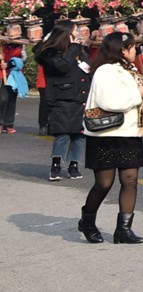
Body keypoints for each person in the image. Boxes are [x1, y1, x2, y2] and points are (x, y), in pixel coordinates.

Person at [78, 32, 143, 245]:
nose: (135, 51)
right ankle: (87, 221)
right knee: (104, 183)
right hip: (106, 134)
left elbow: (135, 100)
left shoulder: (131, 70)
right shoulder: (105, 71)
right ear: (122, 49)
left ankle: (123, 230)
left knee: (130, 180)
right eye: (132, 47)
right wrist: (138, 94)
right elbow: (108, 102)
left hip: (129, 133)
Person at [37, 24, 91, 181]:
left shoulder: (79, 50)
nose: (77, 34)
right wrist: (74, 47)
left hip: (81, 98)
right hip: (62, 99)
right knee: (62, 133)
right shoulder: (50, 53)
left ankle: (74, 164)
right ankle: (56, 164)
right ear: (66, 33)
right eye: (75, 31)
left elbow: (89, 68)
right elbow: (62, 66)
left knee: (79, 134)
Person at [2, 39, 25, 133]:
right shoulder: (2, 44)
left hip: (14, 75)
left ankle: (8, 124)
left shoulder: (20, 45)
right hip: (2, 75)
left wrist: (9, 64)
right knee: (3, 99)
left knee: (12, 99)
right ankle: (0, 122)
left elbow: (24, 59)